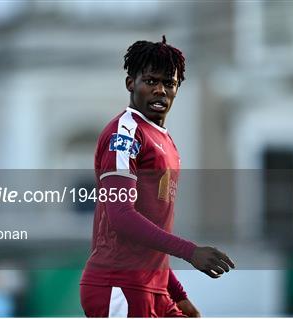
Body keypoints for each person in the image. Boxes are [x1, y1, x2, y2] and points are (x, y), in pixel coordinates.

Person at [80, 36, 235, 317]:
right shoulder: (124, 133)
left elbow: (151, 232)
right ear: (131, 84)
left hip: (155, 290)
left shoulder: (165, 140)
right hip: (119, 286)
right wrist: (190, 252)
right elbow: (121, 216)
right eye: (151, 81)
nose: (160, 90)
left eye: (169, 83)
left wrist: (176, 293)